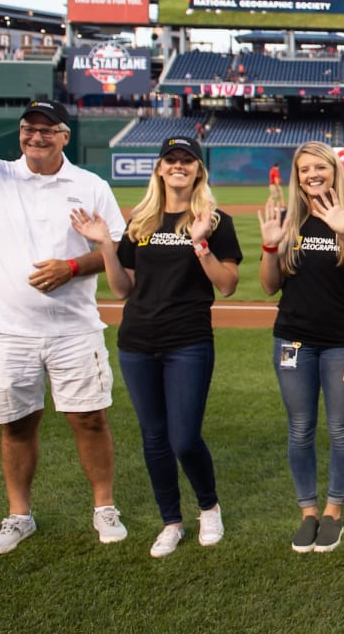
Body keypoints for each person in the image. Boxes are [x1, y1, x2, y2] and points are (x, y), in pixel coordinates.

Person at [0, 64, 128, 555]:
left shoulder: (91, 184)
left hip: (74, 329)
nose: (36, 135)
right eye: (29, 128)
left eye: (46, 129)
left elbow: (117, 250)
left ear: (63, 135)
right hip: (8, 329)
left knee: (90, 419)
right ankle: (18, 515)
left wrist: (73, 266)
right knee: (15, 423)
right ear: (21, 134)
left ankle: (104, 506)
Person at [70, 135, 242, 558]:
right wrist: (107, 246)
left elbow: (228, 285)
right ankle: (171, 521)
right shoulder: (140, 221)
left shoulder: (215, 221)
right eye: (171, 160)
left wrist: (199, 242)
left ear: (199, 170)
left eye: (187, 160)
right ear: (160, 169)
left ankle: (208, 506)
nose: (178, 166)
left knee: (184, 439)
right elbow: (122, 289)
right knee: (154, 438)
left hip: (188, 341)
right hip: (138, 341)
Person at [258, 141, 344, 554]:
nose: (312, 175)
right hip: (292, 341)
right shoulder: (288, 221)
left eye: (319, 167)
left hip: (340, 343)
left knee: (340, 429)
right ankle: (308, 512)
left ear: (334, 170)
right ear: (297, 176)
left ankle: (334, 511)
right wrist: (270, 247)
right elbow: (270, 286)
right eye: (304, 169)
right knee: (300, 428)